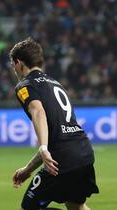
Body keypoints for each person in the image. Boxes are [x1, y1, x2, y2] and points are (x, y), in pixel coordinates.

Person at [9, 38, 99, 210]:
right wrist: (28, 169)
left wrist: (43, 148)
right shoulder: (55, 84)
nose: (14, 69)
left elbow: (38, 111)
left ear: (19, 63)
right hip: (83, 154)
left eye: (13, 65)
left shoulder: (25, 85)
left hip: (62, 160)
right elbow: (56, 137)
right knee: (76, 206)